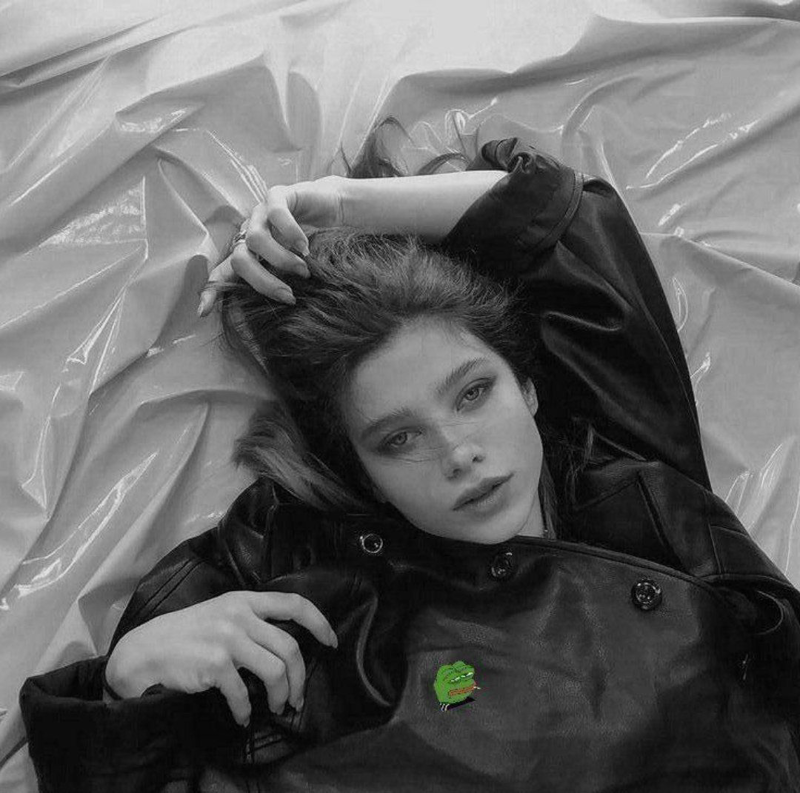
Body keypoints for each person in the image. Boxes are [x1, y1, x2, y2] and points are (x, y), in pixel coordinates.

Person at [19, 121, 800, 793]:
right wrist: (128, 673)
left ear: (528, 386)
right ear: (363, 472)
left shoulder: (626, 472)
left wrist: (338, 204)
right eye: (399, 439)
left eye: (473, 393)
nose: (458, 453)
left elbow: (560, 216)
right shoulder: (300, 561)